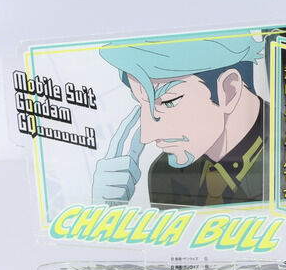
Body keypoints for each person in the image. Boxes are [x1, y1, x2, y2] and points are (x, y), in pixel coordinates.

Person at [92, 34, 268, 208]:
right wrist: (106, 212)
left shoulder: (283, 160)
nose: (147, 136)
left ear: (229, 91)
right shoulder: (164, 174)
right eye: (142, 104)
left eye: (169, 102)